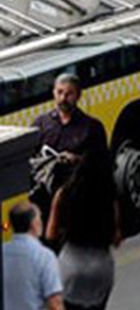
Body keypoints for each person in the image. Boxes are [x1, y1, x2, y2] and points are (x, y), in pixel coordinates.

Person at [46, 152, 120, 310]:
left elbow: (50, 233)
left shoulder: (64, 194)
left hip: (71, 264)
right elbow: (117, 237)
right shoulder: (108, 196)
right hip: (101, 266)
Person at [31, 73, 109, 222]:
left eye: (69, 94)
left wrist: (76, 159)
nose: (63, 98)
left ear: (78, 95)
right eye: (59, 92)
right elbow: (30, 158)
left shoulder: (92, 127)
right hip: (45, 200)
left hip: (79, 201)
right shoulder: (41, 124)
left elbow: (103, 166)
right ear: (53, 93)